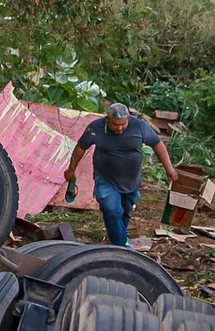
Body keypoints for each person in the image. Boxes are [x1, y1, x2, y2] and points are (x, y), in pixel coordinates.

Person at [63, 103, 178, 248]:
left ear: (128, 119)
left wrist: (169, 168)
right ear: (107, 119)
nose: (119, 128)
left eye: (123, 124)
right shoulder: (96, 128)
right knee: (111, 209)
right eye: (115, 125)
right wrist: (71, 170)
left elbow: (157, 144)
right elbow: (80, 148)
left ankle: (118, 237)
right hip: (105, 178)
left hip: (131, 181)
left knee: (125, 211)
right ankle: (121, 245)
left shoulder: (139, 126)